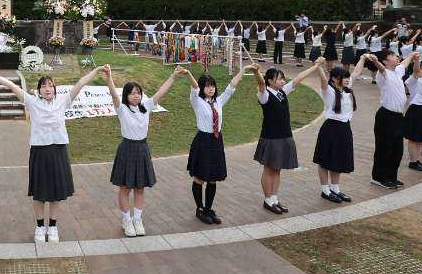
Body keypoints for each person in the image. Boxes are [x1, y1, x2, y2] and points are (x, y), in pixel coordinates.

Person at [0, 66, 106, 243]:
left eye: (50, 85)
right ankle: (39, 226)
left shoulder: (63, 101)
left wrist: (97, 70)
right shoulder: (32, 102)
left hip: (58, 151)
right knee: (40, 193)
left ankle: (52, 227)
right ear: (39, 90)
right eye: (43, 86)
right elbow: (12, 86)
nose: (47, 88)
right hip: (40, 152)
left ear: (54, 88)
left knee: (56, 192)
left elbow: (80, 83)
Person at [103, 64, 180, 236]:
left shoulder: (146, 106)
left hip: (142, 148)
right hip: (127, 149)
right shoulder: (122, 109)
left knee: (140, 188)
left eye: (138, 92)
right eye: (132, 93)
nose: (136, 95)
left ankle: (138, 219)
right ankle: (127, 220)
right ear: (127, 95)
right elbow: (114, 94)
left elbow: (161, 92)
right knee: (125, 188)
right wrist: (109, 77)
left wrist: (173, 76)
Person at [183, 64, 254, 225]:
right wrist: (188, 73)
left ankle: (209, 208)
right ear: (202, 88)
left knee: (213, 178)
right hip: (203, 141)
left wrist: (244, 69)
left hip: (216, 141)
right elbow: (194, 88)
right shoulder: (197, 101)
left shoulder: (219, 102)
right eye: (207, 86)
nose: (211, 89)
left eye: (213, 86)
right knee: (200, 177)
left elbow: (232, 86)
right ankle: (199, 208)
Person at [252, 59, 322, 214]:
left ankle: (274, 198)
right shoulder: (264, 95)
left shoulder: (282, 92)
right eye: (279, 79)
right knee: (269, 169)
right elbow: (261, 85)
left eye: (283, 78)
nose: (283, 81)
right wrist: (257, 72)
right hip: (271, 137)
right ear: (270, 81)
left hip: (285, 136)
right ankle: (268, 200)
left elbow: (298, 79)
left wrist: (315, 67)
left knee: (277, 170)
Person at [312, 56, 367, 203]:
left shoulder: (348, 90)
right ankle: (325, 190)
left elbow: (356, 72)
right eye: (344, 77)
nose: (348, 79)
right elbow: (324, 80)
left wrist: (363, 58)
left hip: (344, 128)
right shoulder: (328, 91)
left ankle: (335, 189)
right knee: (325, 160)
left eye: (348, 77)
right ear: (335, 79)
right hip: (331, 129)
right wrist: (318, 65)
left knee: (338, 160)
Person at [366, 50, 416, 189]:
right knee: (384, 148)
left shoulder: (397, 71)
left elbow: (404, 64)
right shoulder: (383, 74)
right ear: (385, 61)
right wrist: (375, 61)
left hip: (399, 116)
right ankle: (378, 177)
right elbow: (381, 68)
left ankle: (391, 177)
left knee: (397, 150)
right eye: (393, 56)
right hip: (386, 116)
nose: (397, 57)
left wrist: (412, 56)